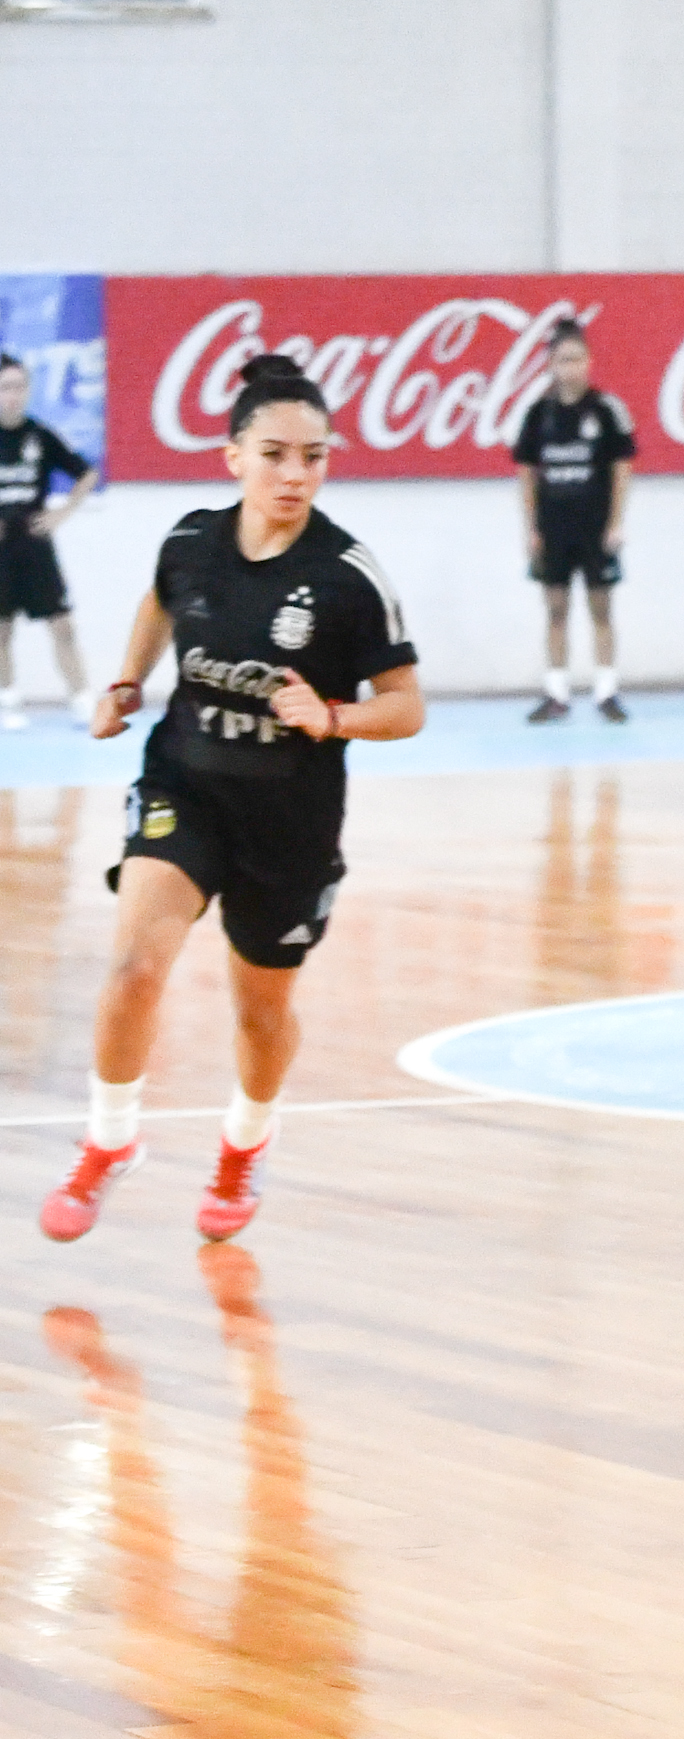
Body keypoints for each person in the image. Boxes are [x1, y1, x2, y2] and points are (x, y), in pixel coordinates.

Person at [37, 356, 424, 1245]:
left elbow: (406, 707)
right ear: (233, 457)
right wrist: (127, 681)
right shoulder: (190, 542)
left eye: (315, 457)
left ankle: (244, 1146)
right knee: (135, 966)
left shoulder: (349, 576)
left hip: (290, 817)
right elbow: (157, 601)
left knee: (261, 1011)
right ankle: (108, 1145)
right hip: (183, 785)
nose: (295, 474)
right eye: (276, 453)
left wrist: (331, 715)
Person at [512, 319, 636, 724]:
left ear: (589, 361)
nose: (572, 367)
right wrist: (531, 527)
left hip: (596, 528)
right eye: (564, 360)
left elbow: (622, 468)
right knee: (556, 609)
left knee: (601, 607)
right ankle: (556, 693)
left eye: (579, 359)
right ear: (551, 363)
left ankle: (606, 691)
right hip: (554, 529)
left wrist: (617, 522)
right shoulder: (538, 415)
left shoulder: (606, 411)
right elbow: (526, 473)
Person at [0, 353, 100, 731]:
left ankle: (81, 699)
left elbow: (87, 473)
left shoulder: (39, 436)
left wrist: (62, 513)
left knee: (62, 625)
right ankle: (7, 701)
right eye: (6, 387)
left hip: (35, 544)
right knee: (2, 629)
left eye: (19, 386)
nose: (13, 395)